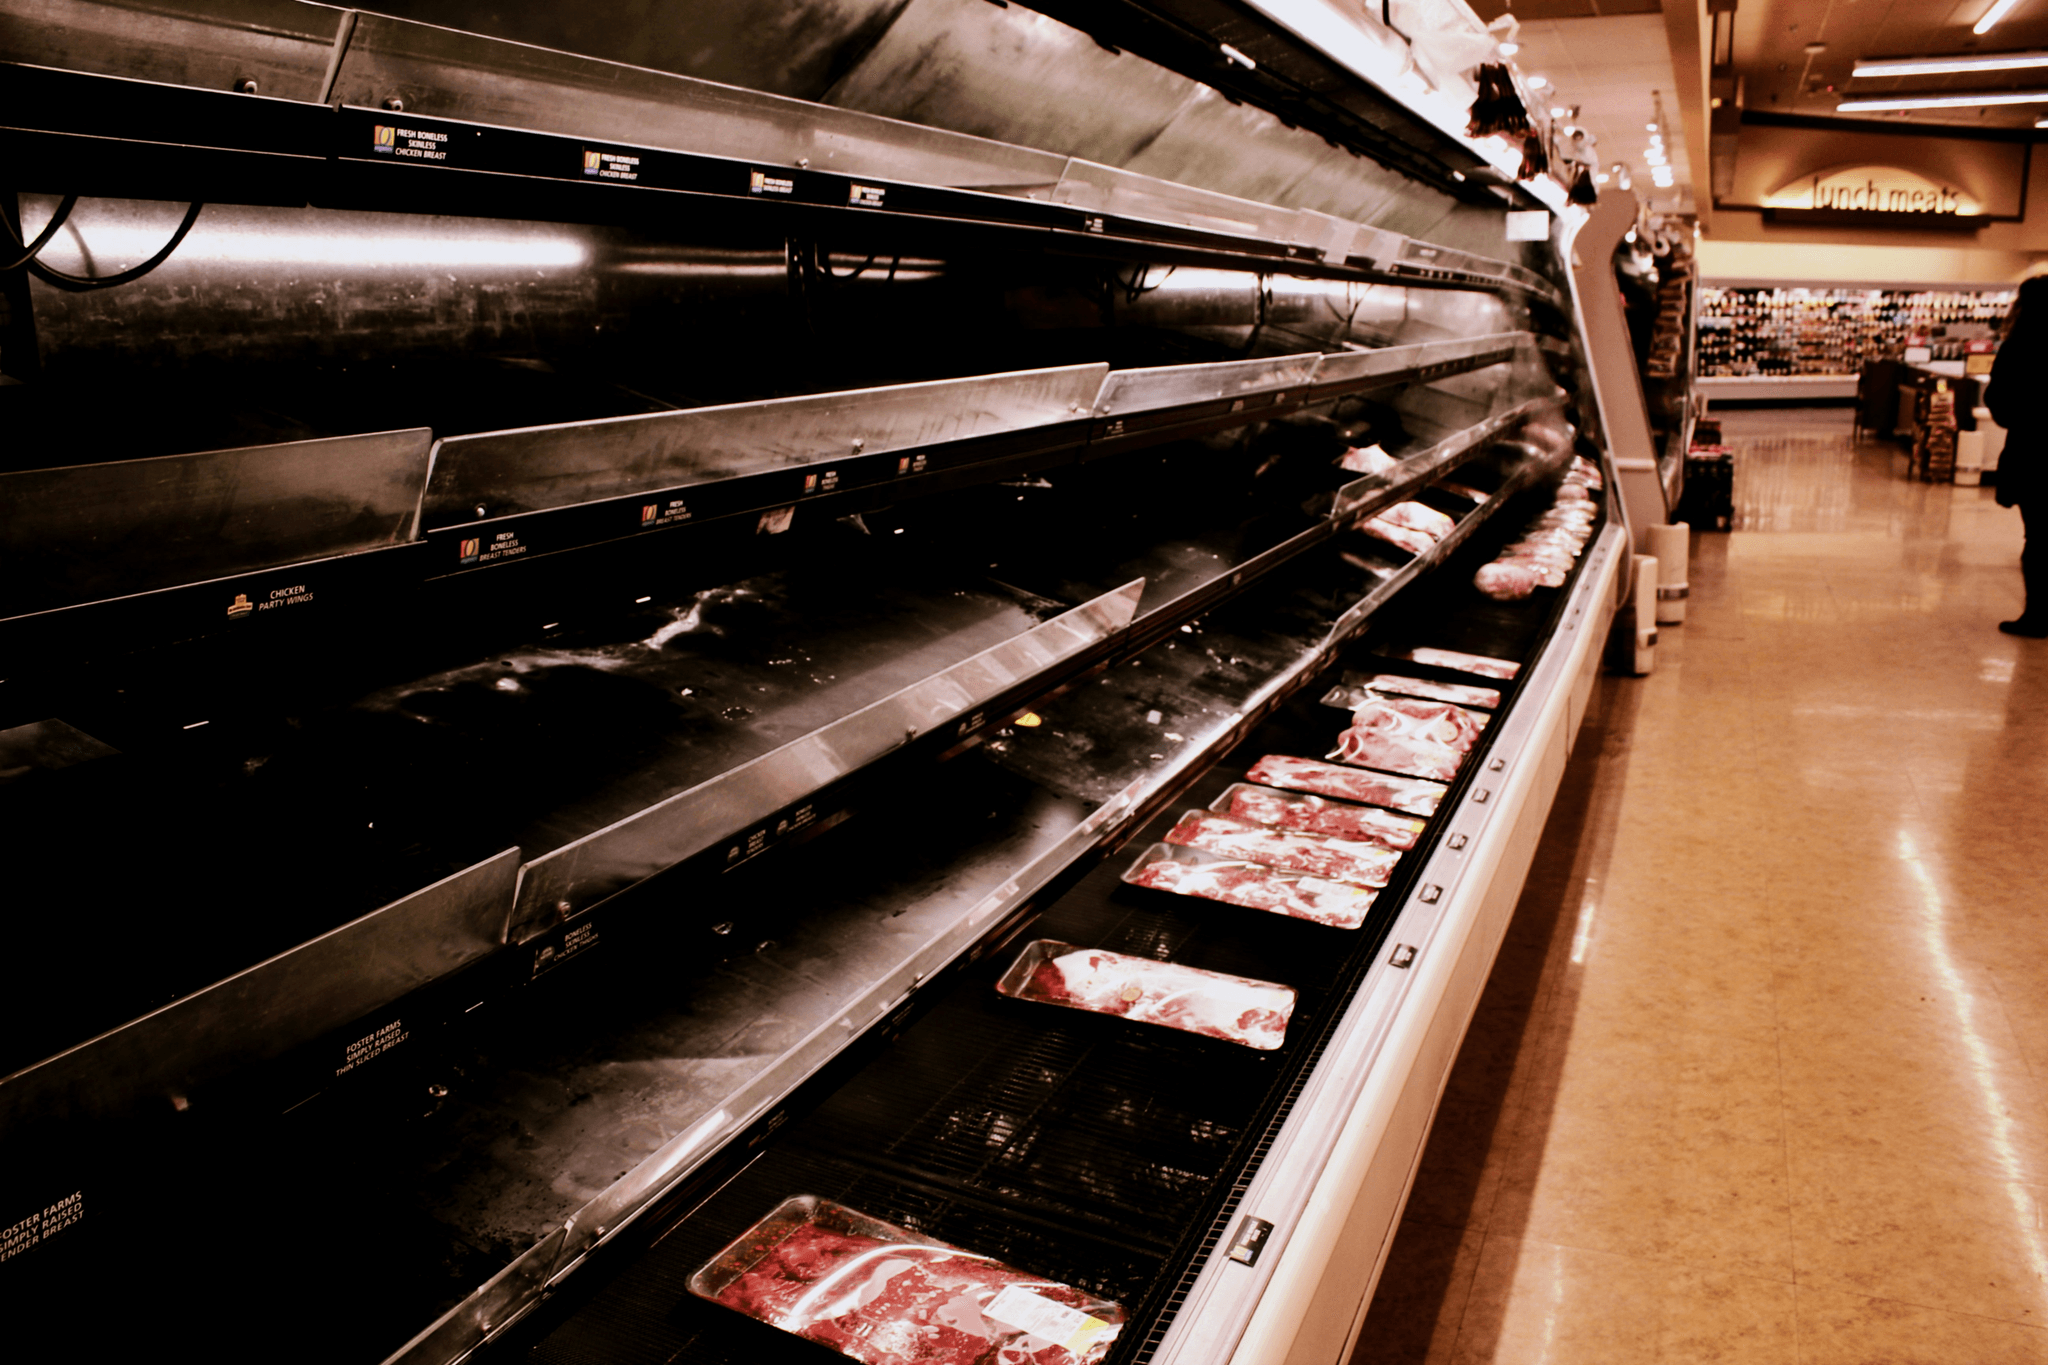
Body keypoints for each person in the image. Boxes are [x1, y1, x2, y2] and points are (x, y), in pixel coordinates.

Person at [1987, 275, 2048, 637]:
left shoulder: (2020, 348)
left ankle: (2038, 615)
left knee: (2039, 539)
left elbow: (2001, 405)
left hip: (2034, 455)